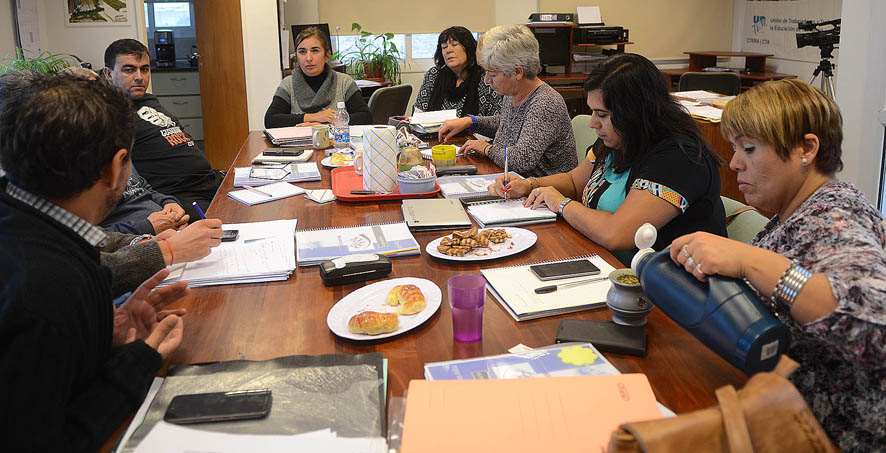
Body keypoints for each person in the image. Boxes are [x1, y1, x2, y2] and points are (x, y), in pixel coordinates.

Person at [669, 79, 886, 451]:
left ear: (806, 148)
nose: (735, 162)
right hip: (779, 411)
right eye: (736, 148)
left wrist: (749, 260)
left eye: (748, 148)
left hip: (820, 436)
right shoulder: (795, 211)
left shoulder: (833, 218)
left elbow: (875, 324)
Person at [0, 74, 192, 451]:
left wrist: (102, 339)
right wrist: (137, 361)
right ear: (116, 165)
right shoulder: (48, 288)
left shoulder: (29, 228)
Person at [489, 53, 726, 264]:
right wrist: (530, 185)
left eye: (602, 114)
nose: (593, 123)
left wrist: (561, 204)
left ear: (634, 114)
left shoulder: (679, 158)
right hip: (604, 261)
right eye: (593, 112)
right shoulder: (619, 138)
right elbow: (575, 182)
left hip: (668, 293)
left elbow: (617, 234)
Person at [103, 38, 223, 222]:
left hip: (209, 180)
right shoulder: (110, 113)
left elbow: (178, 132)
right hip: (180, 195)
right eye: (129, 70)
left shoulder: (148, 100)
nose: (139, 77)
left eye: (144, 69)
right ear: (109, 74)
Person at [437, 24, 577, 177]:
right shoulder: (513, 94)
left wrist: (485, 148)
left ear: (517, 72)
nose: (486, 80)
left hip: (541, 191)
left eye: (492, 73)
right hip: (512, 180)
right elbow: (507, 123)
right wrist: (471, 122)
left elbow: (521, 160)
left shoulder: (546, 103)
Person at [265, 27, 371, 128]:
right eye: (302, 52)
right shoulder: (288, 84)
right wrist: (314, 117)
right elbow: (270, 119)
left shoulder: (344, 82)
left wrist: (325, 126)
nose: (308, 58)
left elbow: (366, 117)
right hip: (298, 145)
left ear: (327, 55)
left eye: (315, 51)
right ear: (296, 56)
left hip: (335, 144)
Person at [414, 26, 501, 117]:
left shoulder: (486, 77)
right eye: (444, 47)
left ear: (468, 48)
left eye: (454, 45)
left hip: (474, 131)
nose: (448, 50)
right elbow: (418, 113)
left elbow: (497, 118)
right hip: (433, 130)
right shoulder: (434, 75)